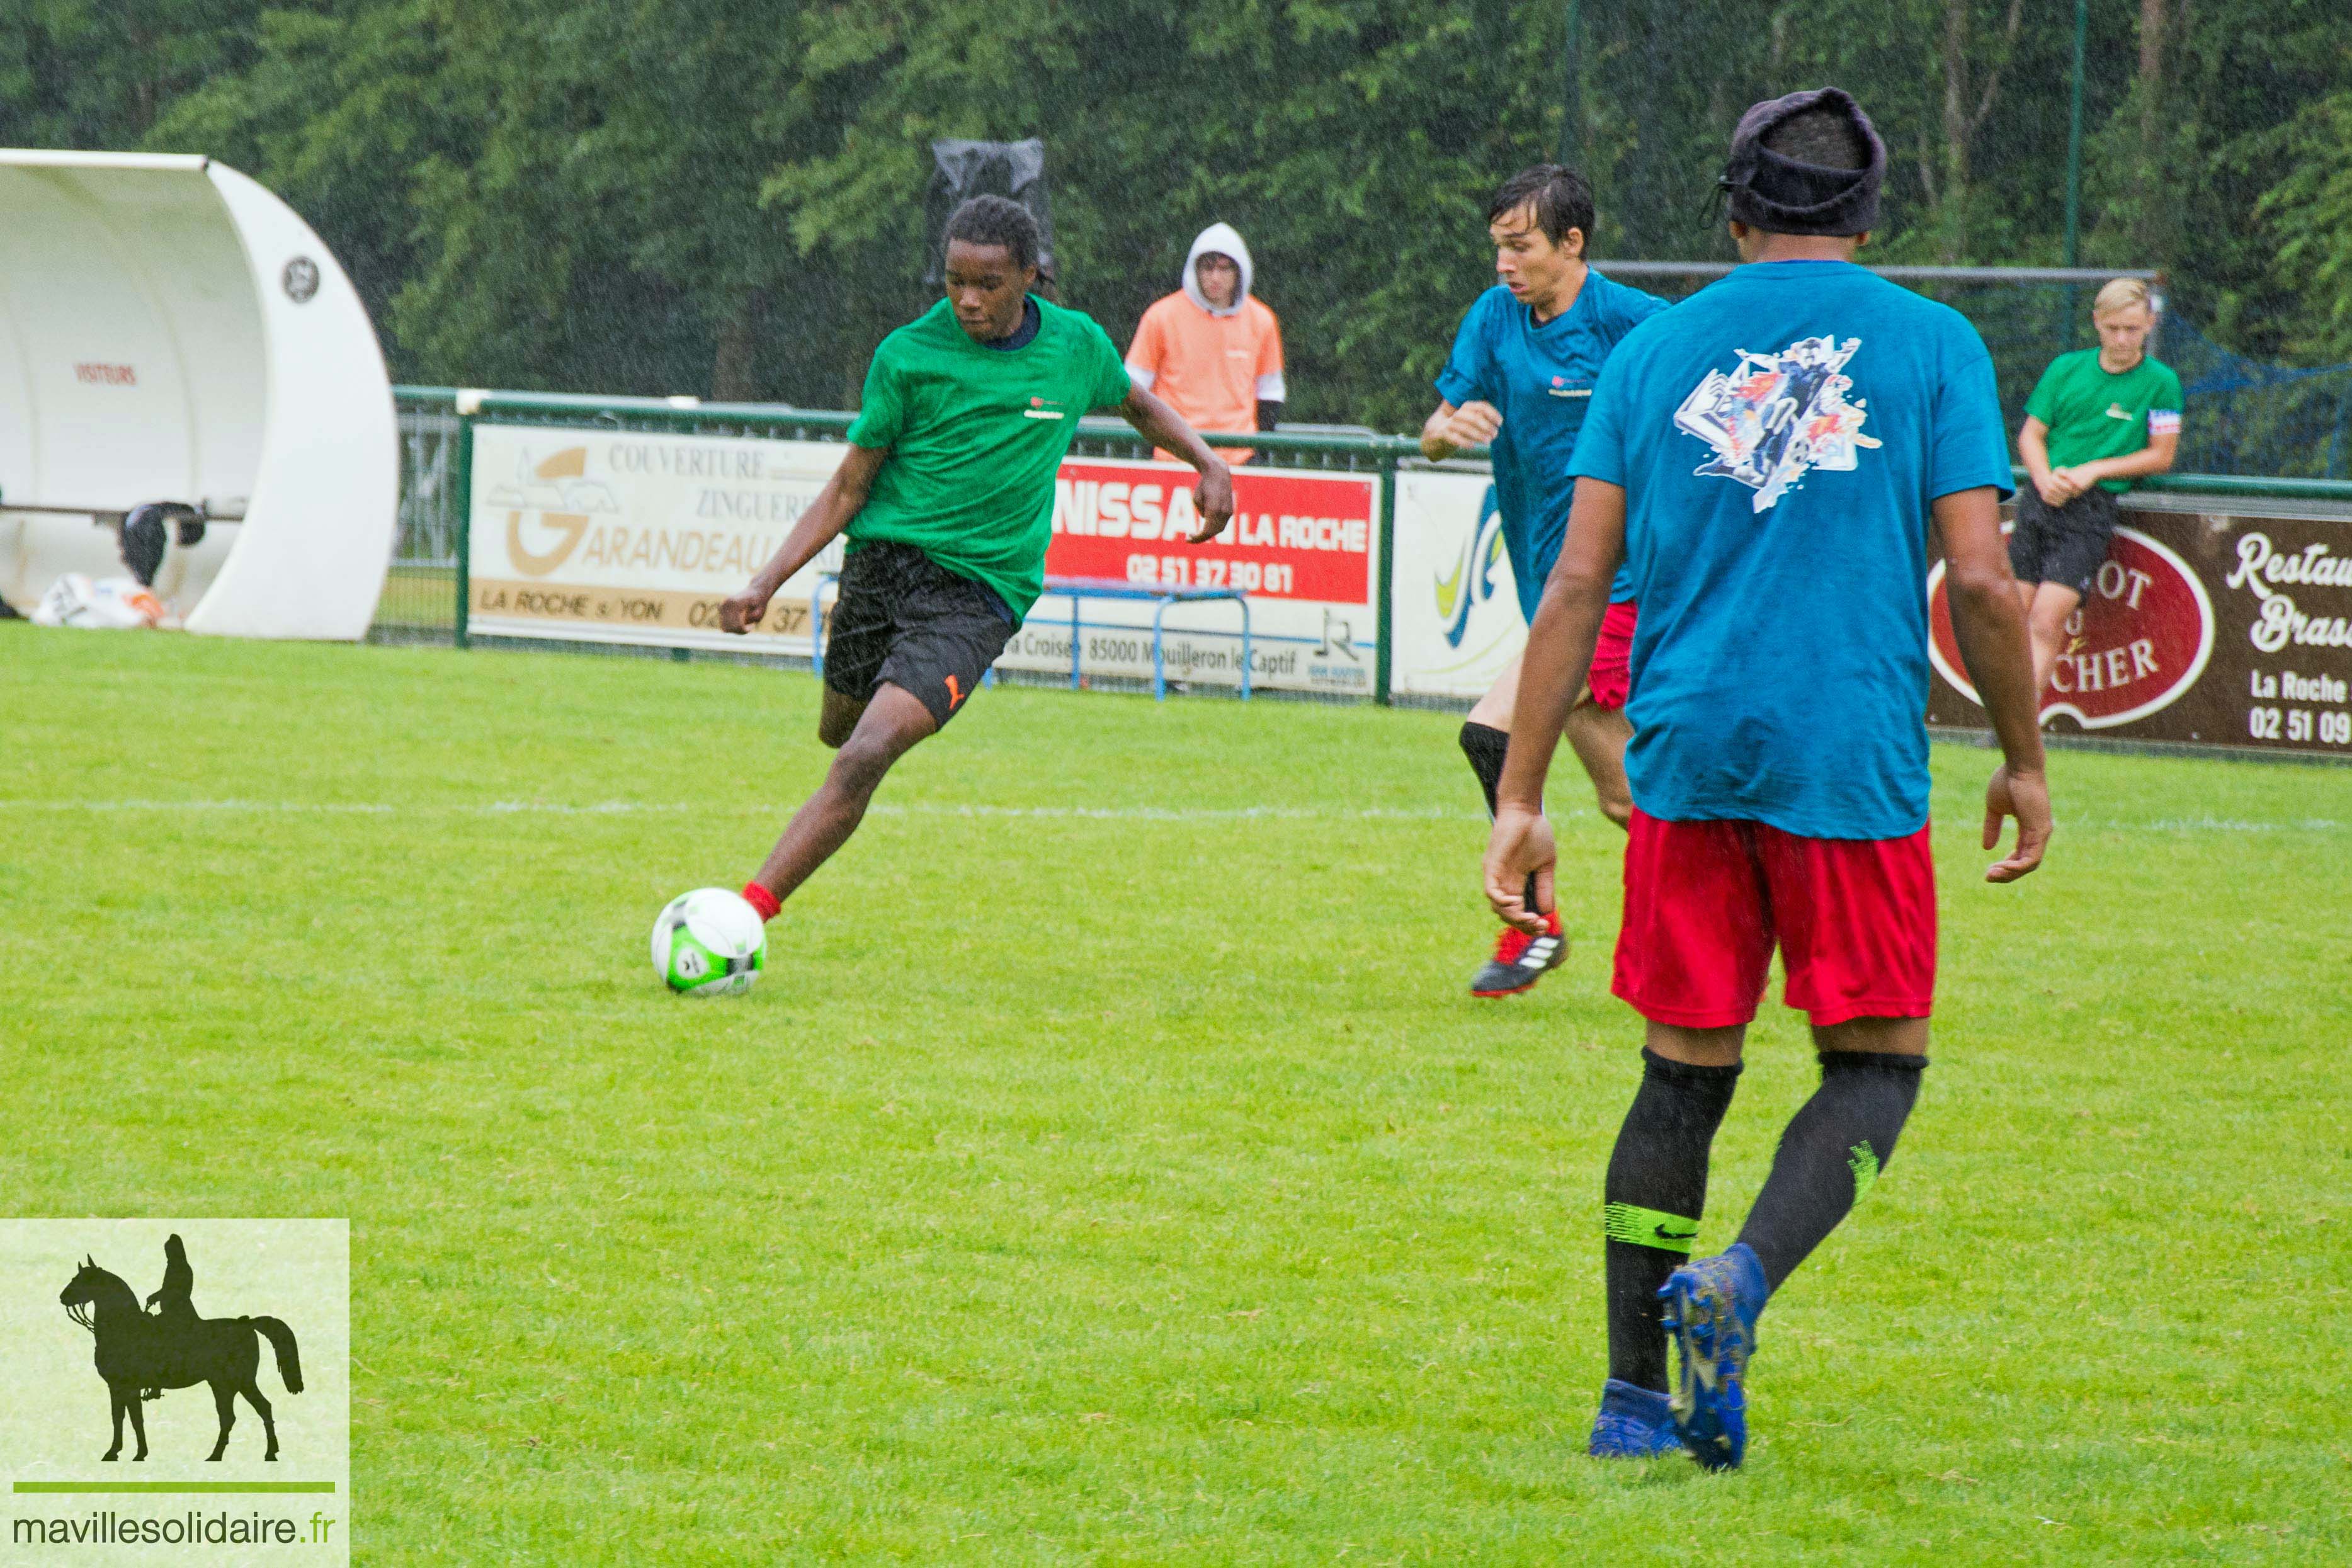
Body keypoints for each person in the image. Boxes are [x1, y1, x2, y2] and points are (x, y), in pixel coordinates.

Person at [1480, 88, 2053, 1470]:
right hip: (1846, 758)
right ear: (1868, 214)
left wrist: (1518, 791)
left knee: (1679, 1078)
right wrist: (2023, 761)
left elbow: (1574, 581)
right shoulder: (1932, 345)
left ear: (1729, 209)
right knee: (1874, 1066)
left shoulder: (1655, 348)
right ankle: (1736, 1278)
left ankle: (1628, 1404)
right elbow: (1980, 576)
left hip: (1685, 751)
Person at [717, 196, 1235, 921]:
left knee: (865, 753)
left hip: (978, 594)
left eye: (988, 284)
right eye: (955, 280)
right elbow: (848, 488)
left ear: (1030, 275)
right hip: (883, 569)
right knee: (838, 730)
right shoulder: (907, 356)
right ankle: (849, 749)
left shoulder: (1075, 345)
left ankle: (746, 912)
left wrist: (1207, 462)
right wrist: (765, 582)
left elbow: (1136, 402)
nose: (968, 299)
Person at [1419, 165, 1670, 998]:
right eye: (1496, 246)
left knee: (1491, 734)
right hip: (1548, 587)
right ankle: (1741, 905)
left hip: (1616, 584)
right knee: (1627, 797)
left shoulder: (1631, 324)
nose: (1502, 263)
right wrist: (1444, 432)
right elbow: (1431, 428)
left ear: (1572, 243)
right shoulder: (1494, 320)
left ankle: (1533, 920)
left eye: (1518, 245)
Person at [2012, 278, 2182, 697]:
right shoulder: (2065, 368)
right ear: (2096, 323)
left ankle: (2021, 737)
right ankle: (2002, 724)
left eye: (2132, 329)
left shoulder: (2161, 382)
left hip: (2090, 510)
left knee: (2045, 620)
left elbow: (2161, 455)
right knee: (2011, 617)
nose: (2122, 339)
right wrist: (2042, 477)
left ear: (2149, 324)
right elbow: (2031, 435)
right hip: (2040, 501)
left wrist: (2093, 471)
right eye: (2113, 329)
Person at [1125, 223, 1285, 464]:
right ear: (1195, 269)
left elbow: (1270, 393)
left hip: (1239, 459)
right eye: (1207, 268)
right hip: (1174, 457)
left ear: (1239, 271)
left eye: (1224, 269)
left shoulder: (1262, 320)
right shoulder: (1160, 316)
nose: (1215, 278)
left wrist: (1260, 453)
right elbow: (1133, 389)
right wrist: (1153, 444)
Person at [141, 1232, 196, 1400]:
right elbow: (167, 1289)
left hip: (179, 1313)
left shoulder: (182, 1269)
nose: (168, 1256)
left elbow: (177, 1292)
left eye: (170, 1253)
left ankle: (157, 1380)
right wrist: (157, 1296)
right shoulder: (173, 1267)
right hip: (171, 1312)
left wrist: (158, 1296)